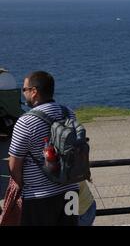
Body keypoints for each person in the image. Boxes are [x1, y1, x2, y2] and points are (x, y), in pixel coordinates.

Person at [8, 71, 79, 226]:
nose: (23, 93)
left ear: (34, 92)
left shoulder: (25, 122)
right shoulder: (69, 113)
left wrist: (22, 186)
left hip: (40, 197)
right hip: (71, 191)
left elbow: (14, 165)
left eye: (24, 89)